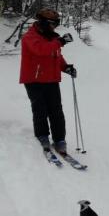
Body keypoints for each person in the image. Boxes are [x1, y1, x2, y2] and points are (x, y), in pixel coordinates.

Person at [20, 9, 77, 154]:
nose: (54, 27)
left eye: (56, 24)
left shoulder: (51, 37)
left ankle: (60, 140)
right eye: (52, 23)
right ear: (43, 22)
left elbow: (55, 55)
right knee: (40, 110)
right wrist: (61, 41)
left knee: (56, 111)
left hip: (51, 79)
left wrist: (65, 67)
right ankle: (42, 135)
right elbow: (40, 50)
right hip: (34, 79)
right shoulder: (30, 36)